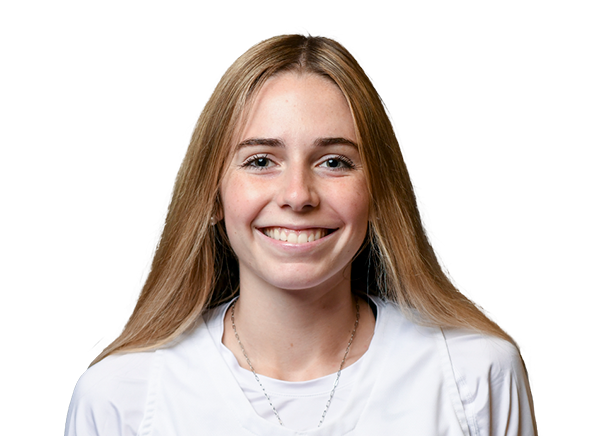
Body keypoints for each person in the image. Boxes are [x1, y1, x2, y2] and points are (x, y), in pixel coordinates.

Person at [65, 33, 538, 435]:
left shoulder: (476, 377)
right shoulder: (120, 398)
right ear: (212, 196)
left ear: (378, 193)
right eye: (260, 161)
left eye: (334, 161)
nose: (297, 195)